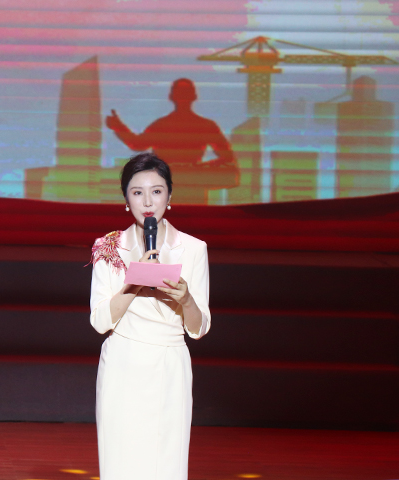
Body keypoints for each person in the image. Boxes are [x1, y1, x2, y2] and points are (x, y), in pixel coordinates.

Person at [89, 153, 210, 479]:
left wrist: (186, 299)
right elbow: (99, 321)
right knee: (121, 460)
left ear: (169, 196)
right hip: (123, 363)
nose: (147, 202)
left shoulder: (193, 248)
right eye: (137, 192)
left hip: (169, 365)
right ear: (125, 199)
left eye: (156, 191)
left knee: (165, 462)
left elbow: (199, 328)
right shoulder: (108, 248)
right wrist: (133, 282)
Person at [106, 78, 235, 168]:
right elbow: (227, 156)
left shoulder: (162, 125)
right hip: (183, 184)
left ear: (172, 97)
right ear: (194, 96)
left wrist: (118, 127)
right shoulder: (207, 126)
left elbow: (137, 144)